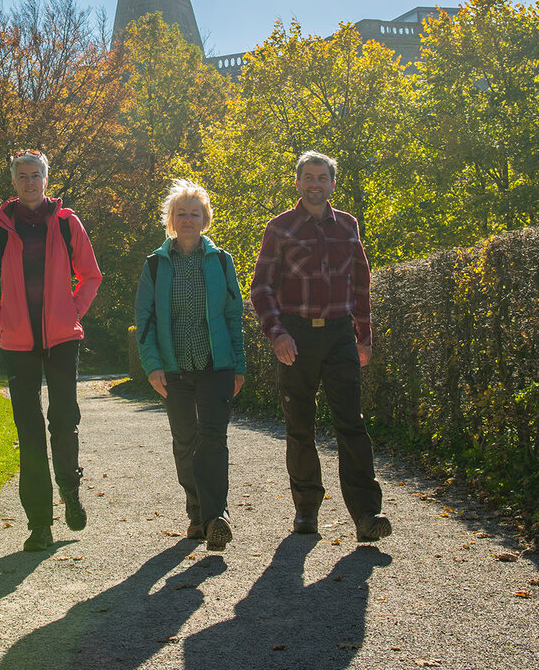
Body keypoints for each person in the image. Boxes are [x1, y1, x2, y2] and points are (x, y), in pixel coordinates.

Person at [249, 151, 392, 543]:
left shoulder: (348, 225)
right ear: (297, 183)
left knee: (352, 424)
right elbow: (261, 287)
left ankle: (367, 514)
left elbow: (360, 282)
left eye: (322, 177)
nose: (315, 184)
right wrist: (277, 333)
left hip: (339, 335)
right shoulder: (279, 228)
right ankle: (306, 510)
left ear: (332, 183)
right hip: (296, 336)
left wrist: (364, 335)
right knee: (300, 428)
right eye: (308, 177)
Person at [0, 150, 103, 552]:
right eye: (22, 176)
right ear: (14, 181)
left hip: (62, 340)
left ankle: (69, 490)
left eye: (36, 175)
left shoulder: (66, 223)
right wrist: (0, 316)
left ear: (47, 179)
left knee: (64, 421)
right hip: (17, 344)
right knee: (29, 433)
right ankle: (39, 524)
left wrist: (73, 309)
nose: (29, 182)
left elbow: (91, 275)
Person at [134, 180, 246, 552]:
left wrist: (239, 365)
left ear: (205, 219)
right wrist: (152, 366)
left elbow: (234, 316)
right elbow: (145, 321)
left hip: (216, 366)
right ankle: (197, 512)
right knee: (185, 441)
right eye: (180, 213)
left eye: (194, 213)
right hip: (174, 369)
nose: (187, 219)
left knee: (213, 439)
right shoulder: (154, 265)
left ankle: (217, 517)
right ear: (170, 219)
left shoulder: (221, 261)